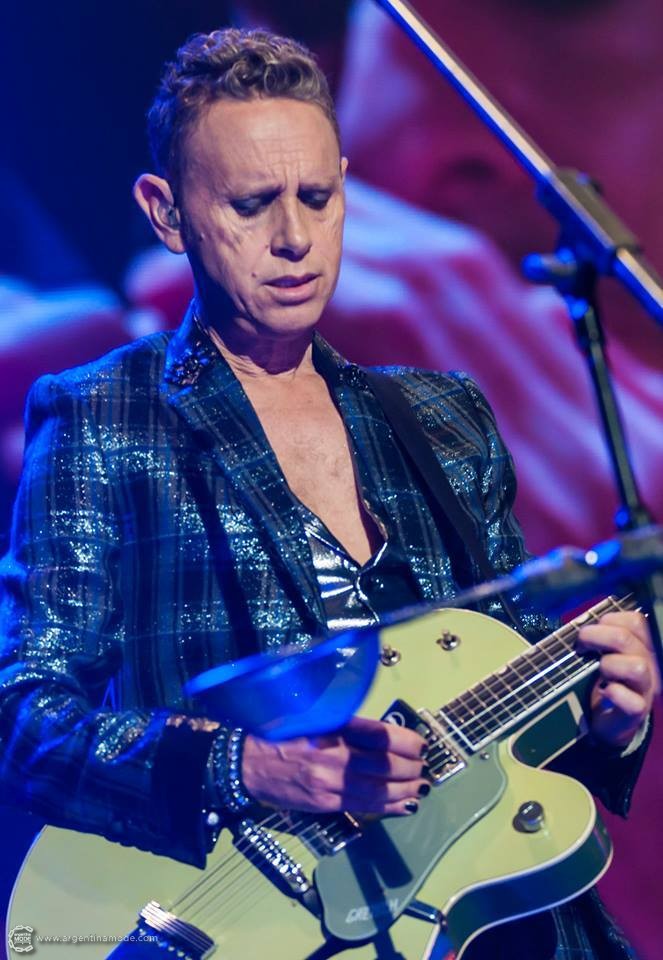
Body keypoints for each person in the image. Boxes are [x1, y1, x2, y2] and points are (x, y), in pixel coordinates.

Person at [0, 28, 657, 960]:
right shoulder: (104, 415)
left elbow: (507, 688)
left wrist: (609, 713)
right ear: (166, 212)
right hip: (249, 919)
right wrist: (251, 765)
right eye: (251, 204)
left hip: (494, 924)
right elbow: (24, 716)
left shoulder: (441, 415)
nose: (295, 238)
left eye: (317, 197)